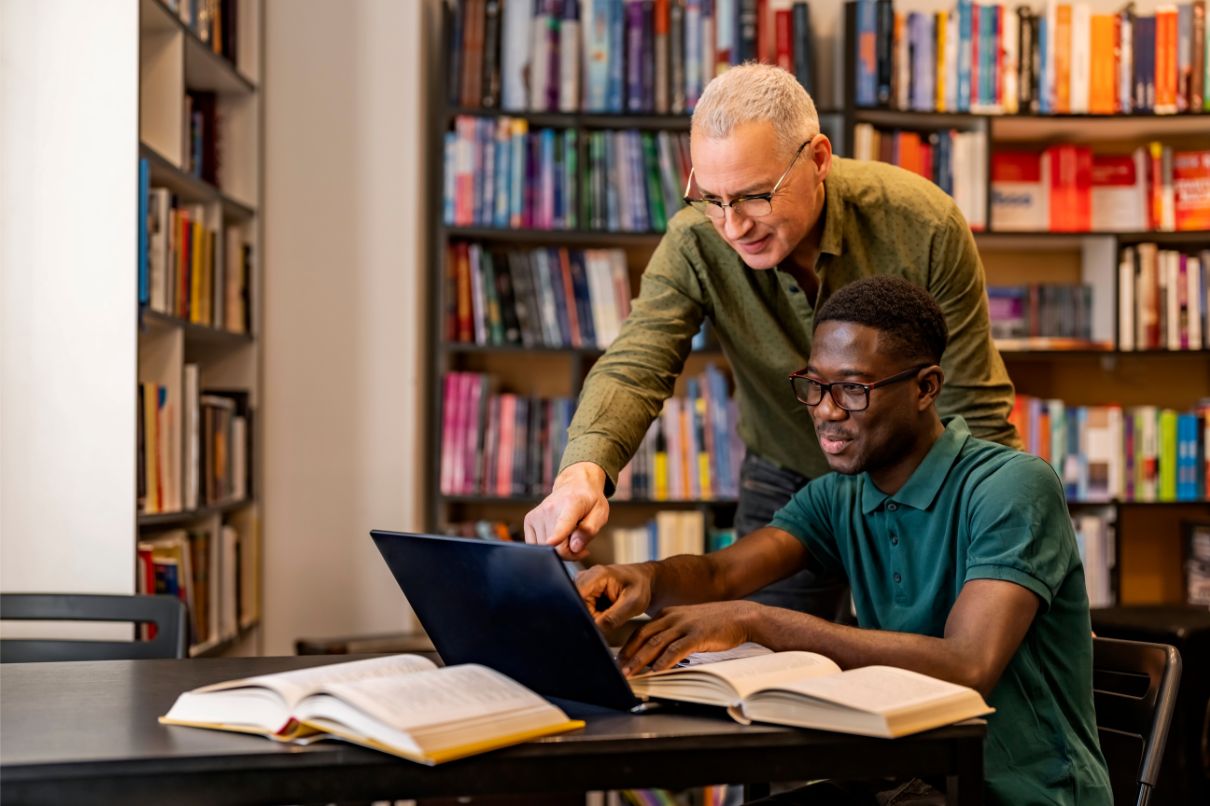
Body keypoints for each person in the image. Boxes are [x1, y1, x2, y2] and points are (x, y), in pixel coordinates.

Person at [576, 276, 1112, 806]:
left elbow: (968, 664)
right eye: (815, 385)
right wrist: (644, 578)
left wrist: (761, 620)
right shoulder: (838, 497)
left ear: (926, 387)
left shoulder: (1011, 485)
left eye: (853, 389)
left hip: (1022, 794)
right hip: (907, 783)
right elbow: (721, 575)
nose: (826, 410)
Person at [523, 63, 1019, 618]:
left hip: (917, 479)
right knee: (760, 668)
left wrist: (1001, 533)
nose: (733, 227)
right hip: (785, 471)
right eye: (712, 198)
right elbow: (637, 361)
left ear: (819, 160)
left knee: (933, 666)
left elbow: (975, 403)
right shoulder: (694, 241)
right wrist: (582, 473)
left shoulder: (920, 223)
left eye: (756, 196)